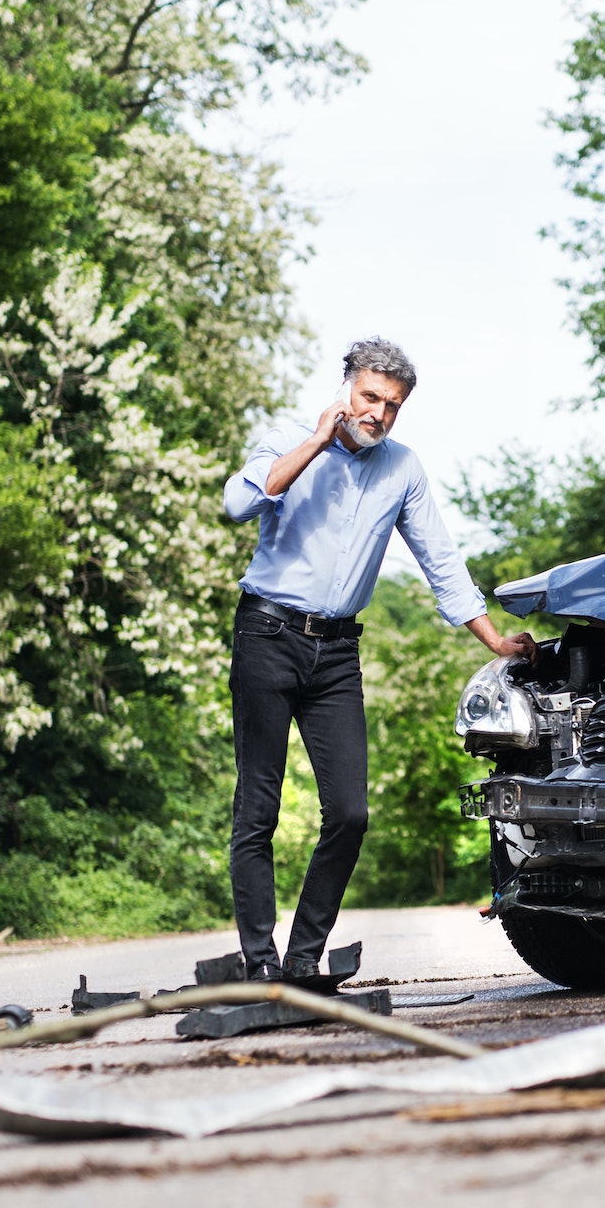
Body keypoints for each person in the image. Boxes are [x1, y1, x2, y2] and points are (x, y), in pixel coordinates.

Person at [221, 337, 535, 981]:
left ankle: (303, 960)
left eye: (392, 406)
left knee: (351, 814)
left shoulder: (402, 467)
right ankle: (260, 966)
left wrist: (494, 640)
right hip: (267, 637)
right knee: (259, 809)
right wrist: (315, 441)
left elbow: (439, 559)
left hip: (336, 653)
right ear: (345, 389)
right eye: (369, 399)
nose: (379, 415)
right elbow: (239, 502)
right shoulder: (287, 438)